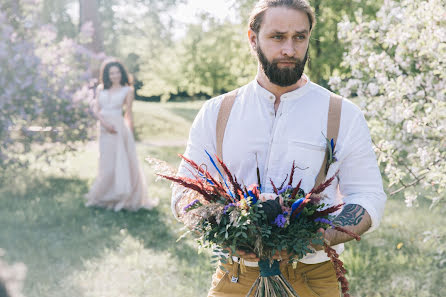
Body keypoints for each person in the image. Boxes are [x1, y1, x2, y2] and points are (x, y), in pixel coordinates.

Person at [171, 0, 387, 296]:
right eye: (277, 37)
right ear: (252, 39)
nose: (289, 49)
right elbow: (185, 191)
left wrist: (321, 234)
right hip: (234, 278)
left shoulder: (343, 114)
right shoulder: (217, 111)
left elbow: (367, 193)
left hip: (312, 277)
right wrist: (223, 232)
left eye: (300, 37)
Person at [85, 59, 157, 211]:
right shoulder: (100, 89)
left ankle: (123, 196)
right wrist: (105, 124)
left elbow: (128, 114)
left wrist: (129, 134)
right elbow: (96, 109)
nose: (115, 75)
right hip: (105, 129)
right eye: (111, 73)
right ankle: (106, 194)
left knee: (121, 161)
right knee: (106, 164)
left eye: (117, 72)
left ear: (121, 73)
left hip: (118, 129)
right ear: (107, 75)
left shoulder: (128, 90)